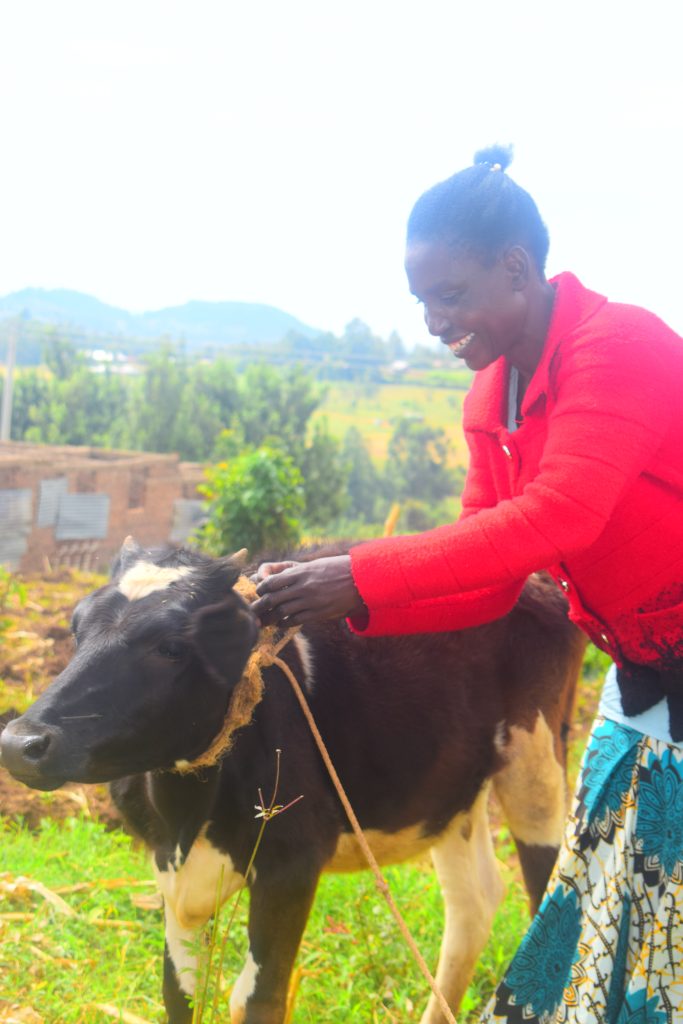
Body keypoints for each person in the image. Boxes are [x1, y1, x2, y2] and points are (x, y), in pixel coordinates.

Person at [252, 145, 683, 1022]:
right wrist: (348, 605)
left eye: (448, 296)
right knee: (617, 900)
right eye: (420, 301)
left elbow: (559, 516)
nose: (432, 322)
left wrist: (359, 572)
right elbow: (487, 576)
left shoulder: (618, 345)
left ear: (516, 269)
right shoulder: (493, 395)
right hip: (646, 670)